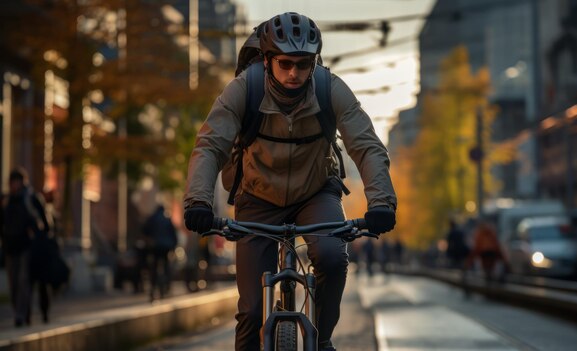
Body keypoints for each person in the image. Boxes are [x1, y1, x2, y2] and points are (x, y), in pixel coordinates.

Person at [183, 12, 397, 351]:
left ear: (314, 62)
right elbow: (210, 145)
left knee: (330, 256)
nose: (294, 73)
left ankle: (322, 338)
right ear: (267, 61)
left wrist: (381, 203)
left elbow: (366, 145)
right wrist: (198, 201)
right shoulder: (244, 89)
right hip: (257, 196)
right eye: (285, 63)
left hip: (315, 192)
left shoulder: (330, 88)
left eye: (303, 64)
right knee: (252, 310)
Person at [1, 167, 52, 326]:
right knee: (14, 283)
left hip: (27, 247)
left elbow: (45, 223)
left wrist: (36, 233)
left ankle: (21, 315)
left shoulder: (31, 198)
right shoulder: (6, 200)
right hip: (10, 247)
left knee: (24, 281)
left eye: (17, 182)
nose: (15, 185)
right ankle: (19, 311)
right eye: (12, 182)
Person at [142, 205, 178, 302]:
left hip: (155, 246)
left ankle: (153, 289)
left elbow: (145, 230)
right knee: (165, 266)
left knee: (154, 267)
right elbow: (173, 234)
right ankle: (165, 287)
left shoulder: (152, 218)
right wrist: (173, 246)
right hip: (166, 247)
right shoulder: (167, 219)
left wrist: (149, 241)